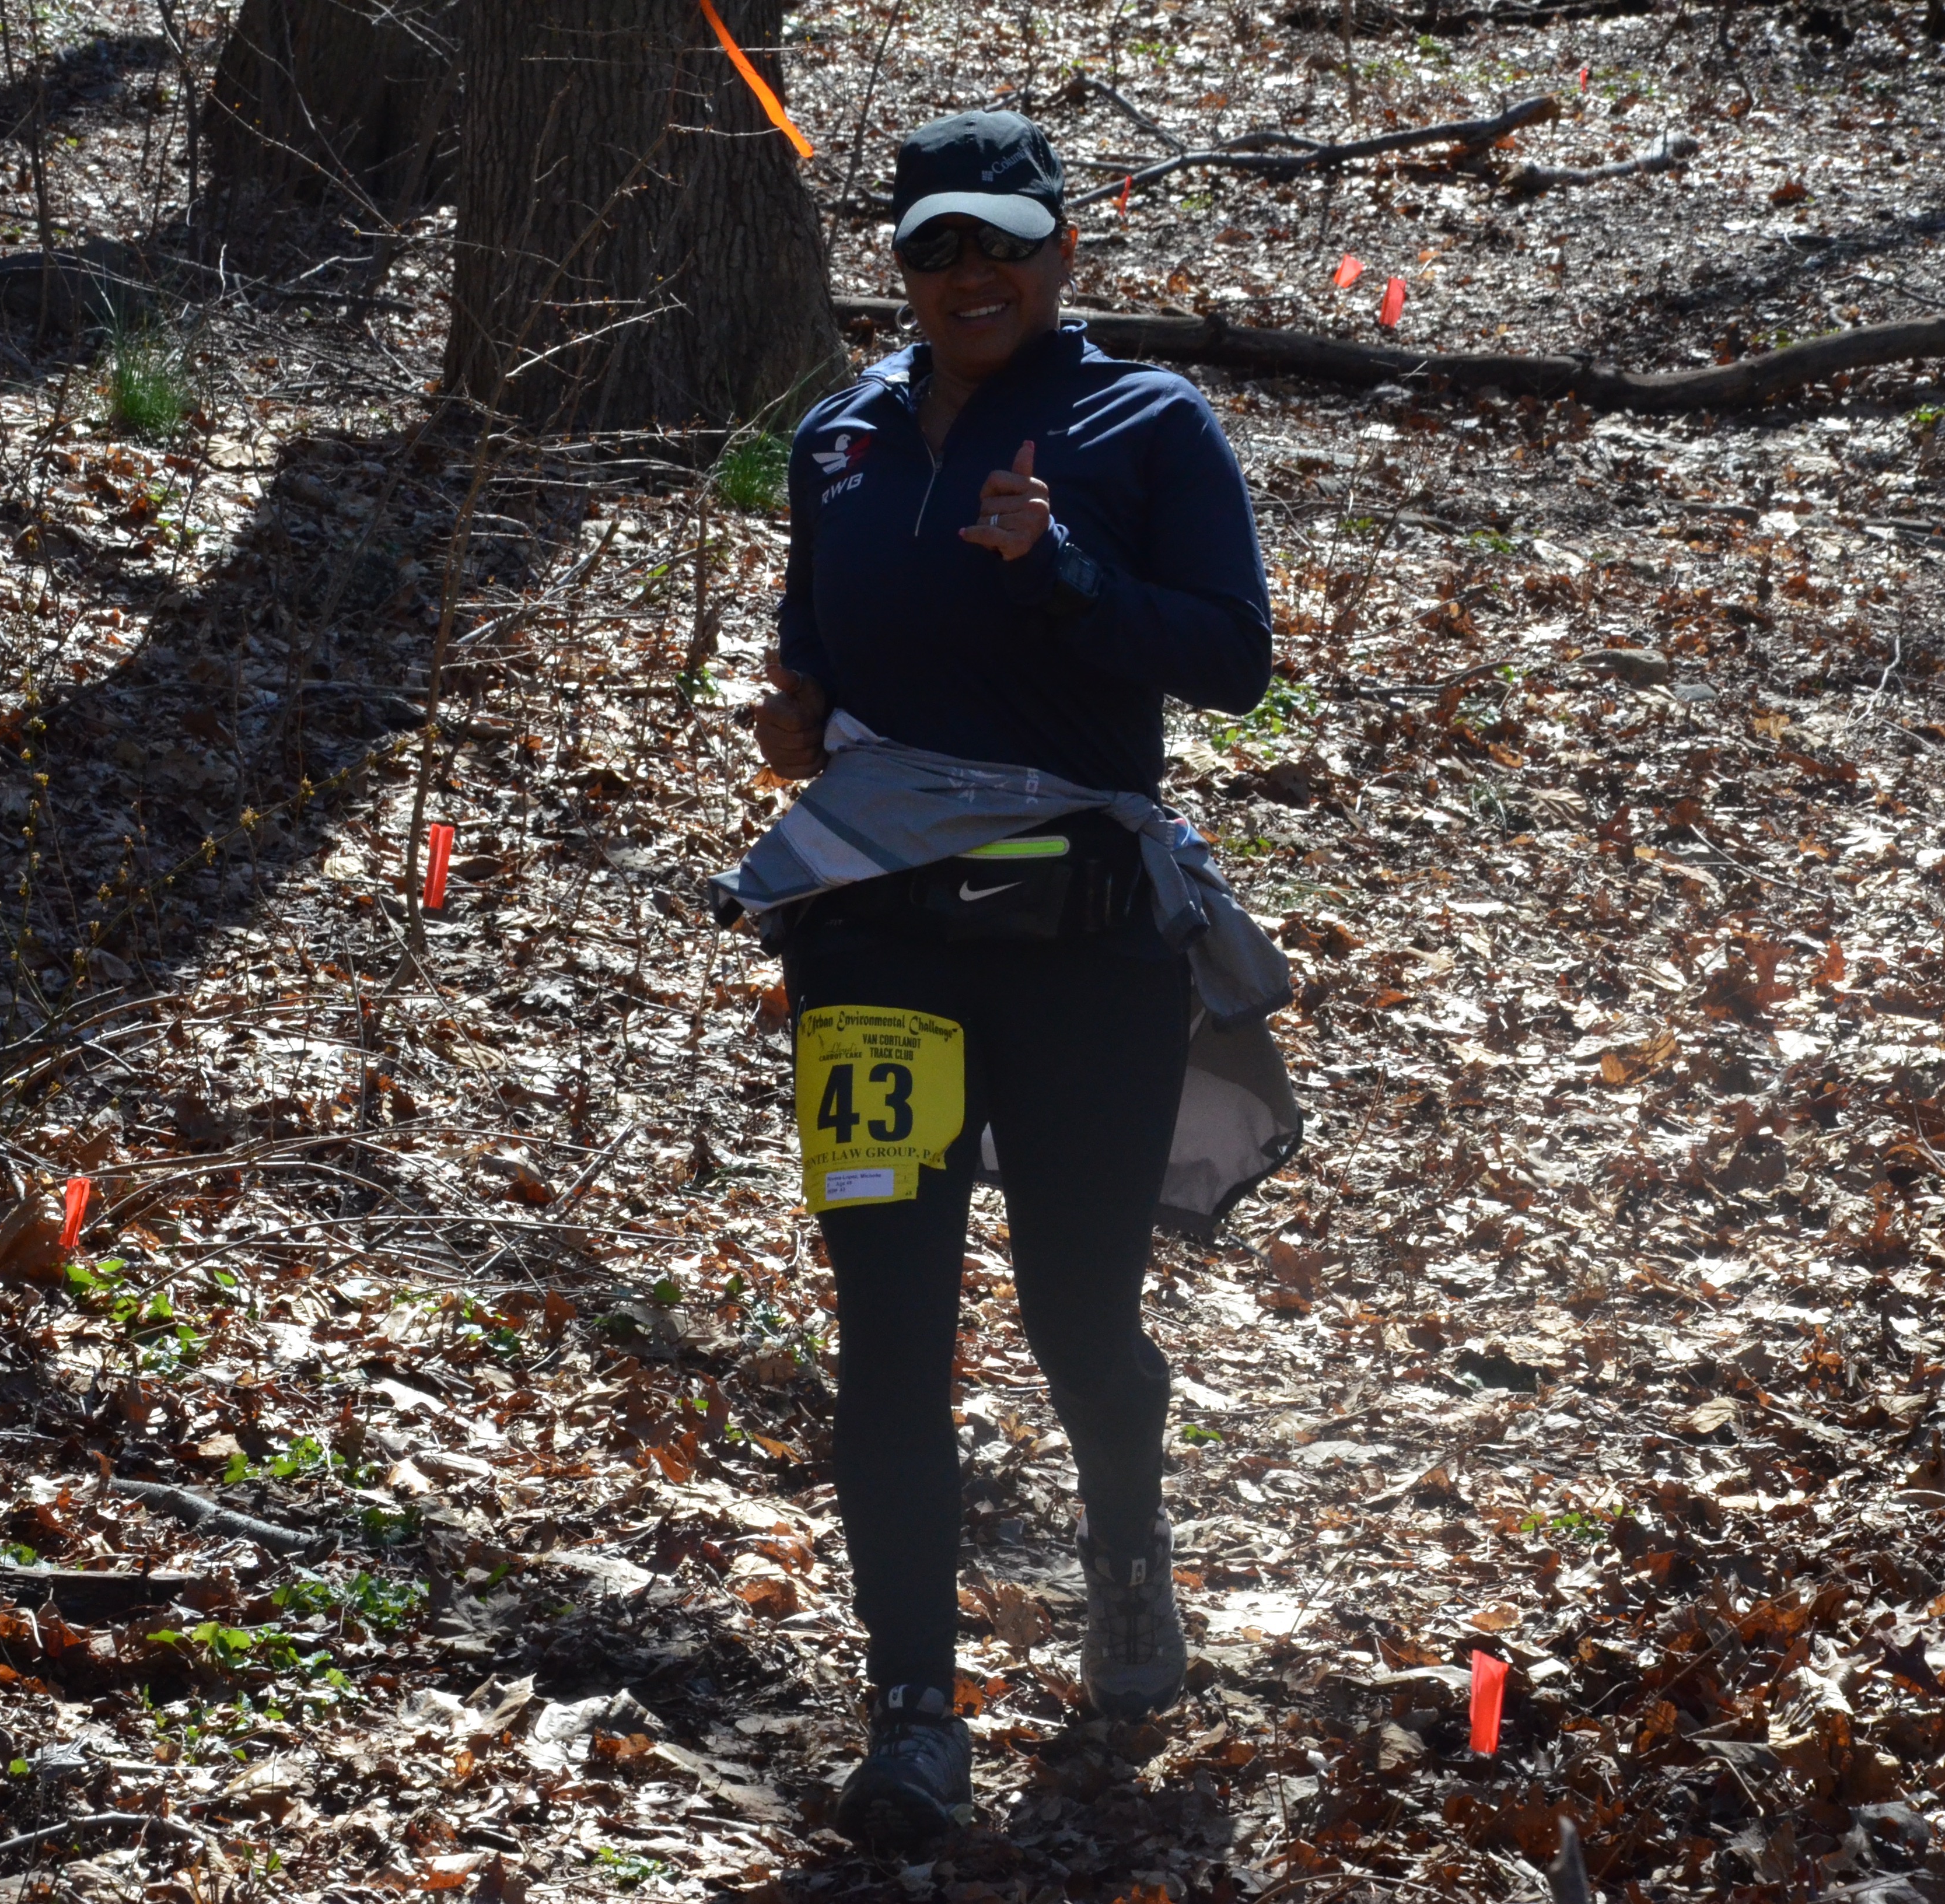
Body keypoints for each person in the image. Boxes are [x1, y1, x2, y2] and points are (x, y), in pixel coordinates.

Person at [743, 109, 1275, 1852]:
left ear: (1061, 253)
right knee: (890, 1326)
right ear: (901, 266)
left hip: (1083, 948)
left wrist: (1061, 576)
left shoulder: (1145, 421)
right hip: (876, 937)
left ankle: (1126, 1546)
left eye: (1002, 243)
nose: (970, 275)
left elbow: (1234, 661)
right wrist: (798, 719)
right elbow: (817, 652)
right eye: (936, 248)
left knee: (1078, 1319)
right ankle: (913, 1713)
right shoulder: (837, 436)